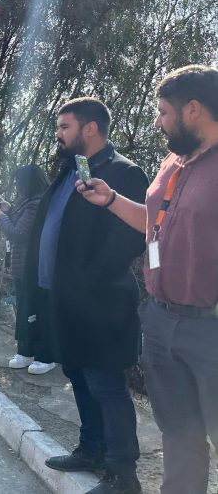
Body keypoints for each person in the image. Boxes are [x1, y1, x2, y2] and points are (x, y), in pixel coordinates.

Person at [77, 65, 218, 494]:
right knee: (178, 434)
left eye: (163, 113)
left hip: (209, 330)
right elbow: (155, 225)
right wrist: (112, 200)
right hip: (160, 322)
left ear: (193, 109)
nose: (156, 122)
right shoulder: (172, 163)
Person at [23, 97, 148, 494]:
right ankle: (91, 449)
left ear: (89, 128)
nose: (58, 135)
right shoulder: (68, 172)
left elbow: (129, 238)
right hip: (63, 300)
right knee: (77, 375)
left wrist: (88, 281)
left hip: (101, 304)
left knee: (107, 385)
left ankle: (122, 474)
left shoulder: (125, 173)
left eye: (64, 127)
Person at [0, 164, 53, 375]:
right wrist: (9, 210)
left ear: (28, 183)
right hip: (24, 266)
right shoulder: (30, 202)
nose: (18, 187)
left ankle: (46, 356)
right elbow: (21, 223)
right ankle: (26, 352)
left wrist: (0, 216)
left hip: (33, 266)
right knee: (25, 309)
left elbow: (18, 233)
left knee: (36, 311)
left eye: (19, 183)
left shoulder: (37, 203)